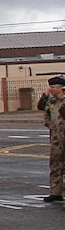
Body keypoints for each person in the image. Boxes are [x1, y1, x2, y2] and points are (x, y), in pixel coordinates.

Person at [40, 75, 65, 203]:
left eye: (53, 87)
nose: (50, 89)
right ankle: (56, 192)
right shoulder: (51, 101)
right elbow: (42, 108)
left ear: (61, 88)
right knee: (55, 164)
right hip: (56, 137)